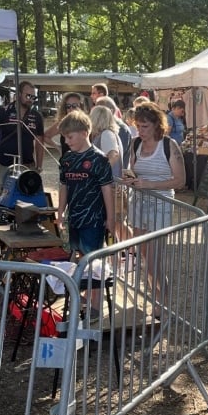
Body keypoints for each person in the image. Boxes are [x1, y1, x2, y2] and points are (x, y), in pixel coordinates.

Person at [123, 102, 186, 314]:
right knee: (144, 257)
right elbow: (133, 171)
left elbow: (179, 181)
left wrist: (150, 185)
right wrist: (129, 179)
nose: (140, 131)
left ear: (157, 125)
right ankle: (157, 300)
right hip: (138, 204)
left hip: (161, 205)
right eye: (137, 126)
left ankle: (163, 303)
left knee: (153, 259)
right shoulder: (134, 144)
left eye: (145, 127)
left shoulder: (169, 145)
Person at [55, 110, 116, 258]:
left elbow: (107, 190)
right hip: (73, 218)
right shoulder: (66, 159)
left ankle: (91, 282)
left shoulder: (99, 159)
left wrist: (110, 218)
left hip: (93, 221)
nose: (67, 142)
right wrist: (61, 211)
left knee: (91, 261)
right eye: (64, 138)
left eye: (70, 137)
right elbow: (64, 186)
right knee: (74, 256)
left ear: (84, 133)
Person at [0, 81, 45, 176]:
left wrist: (39, 166)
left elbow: (40, 142)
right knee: (3, 191)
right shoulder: (3, 111)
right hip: (5, 165)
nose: (31, 100)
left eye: (34, 97)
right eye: (28, 96)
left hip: (28, 165)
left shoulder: (37, 115)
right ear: (19, 94)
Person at [43, 92, 86, 156]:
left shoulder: (86, 123)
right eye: (68, 106)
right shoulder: (62, 122)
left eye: (74, 106)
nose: (71, 109)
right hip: (67, 161)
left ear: (81, 106)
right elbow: (46, 136)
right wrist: (59, 147)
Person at [94, 95, 132, 166]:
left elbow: (115, 156)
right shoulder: (105, 130)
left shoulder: (119, 129)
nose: (96, 113)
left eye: (101, 110)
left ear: (111, 111)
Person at [90, 105, 123, 181]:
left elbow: (114, 155)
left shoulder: (106, 134)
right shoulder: (106, 133)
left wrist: (100, 173)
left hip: (109, 184)